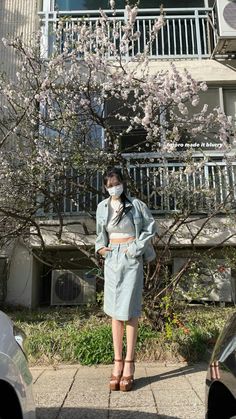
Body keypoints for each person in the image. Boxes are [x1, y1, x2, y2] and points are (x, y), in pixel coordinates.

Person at [95, 167, 157, 392]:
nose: (113, 187)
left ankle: (130, 363)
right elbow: (100, 234)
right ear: (105, 187)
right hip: (112, 258)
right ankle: (117, 361)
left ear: (123, 183)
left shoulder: (136, 205)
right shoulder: (102, 207)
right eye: (109, 185)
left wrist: (135, 248)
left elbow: (150, 228)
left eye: (116, 183)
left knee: (130, 310)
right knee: (114, 311)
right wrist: (101, 249)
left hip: (131, 258)